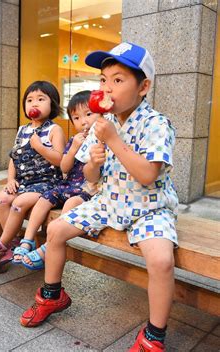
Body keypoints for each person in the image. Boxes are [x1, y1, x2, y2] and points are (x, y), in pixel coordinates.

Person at [20, 42, 178, 352]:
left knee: (161, 260)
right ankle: (53, 296)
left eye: (118, 80)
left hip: (150, 207)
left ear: (143, 86)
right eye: (103, 80)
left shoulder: (157, 124)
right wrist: (93, 162)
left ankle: (154, 336)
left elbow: (148, 174)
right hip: (108, 201)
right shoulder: (101, 126)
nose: (107, 87)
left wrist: (114, 142)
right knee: (55, 230)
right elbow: (91, 180)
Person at [11, 90, 100, 271]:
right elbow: (65, 167)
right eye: (76, 118)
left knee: (72, 202)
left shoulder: (103, 140)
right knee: (45, 199)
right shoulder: (75, 140)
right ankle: (27, 240)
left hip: (88, 189)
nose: (83, 121)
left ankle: (48, 246)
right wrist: (74, 147)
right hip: (68, 184)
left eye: (89, 114)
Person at [0, 81, 65, 264]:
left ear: (53, 104)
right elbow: (14, 158)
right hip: (24, 182)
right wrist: (10, 179)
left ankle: (1, 244)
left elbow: (60, 160)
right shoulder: (22, 130)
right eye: (29, 100)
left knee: (18, 203)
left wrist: (40, 147)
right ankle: (13, 244)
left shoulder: (54, 130)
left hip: (47, 183)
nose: (34, 104)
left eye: (41, 99)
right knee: (2, 199)